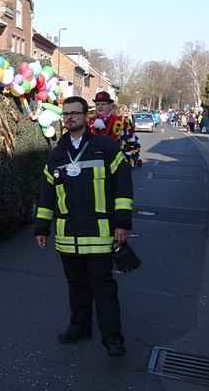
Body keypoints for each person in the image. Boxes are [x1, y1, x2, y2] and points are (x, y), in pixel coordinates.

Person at [34, 96, 133, 358]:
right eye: (65, 114)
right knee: (76, 287)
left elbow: (123, 188)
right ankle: (79, 328)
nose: (69, 118)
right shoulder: (56, 155)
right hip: (68, 237)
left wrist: (122, 223)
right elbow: (47, 194)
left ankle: (113, 339)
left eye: (74, 113)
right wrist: (42, 227)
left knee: (104, 289)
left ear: (85, 117)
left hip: (100, 234)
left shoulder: (106, 148)